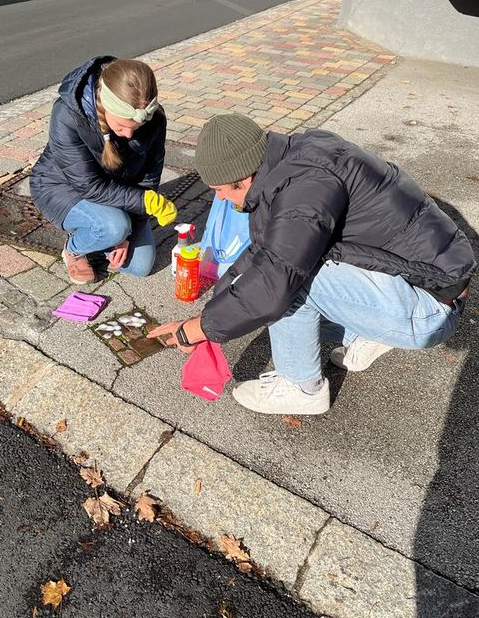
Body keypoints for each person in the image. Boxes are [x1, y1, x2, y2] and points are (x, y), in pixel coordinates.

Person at [148, 113, 476, 415]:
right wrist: (210, 316)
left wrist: (194, 330)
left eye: (219, 189)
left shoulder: (305, 187)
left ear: (242, 176)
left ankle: (301, 387)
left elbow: (274, 279)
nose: (218, 198)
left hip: (432, 305)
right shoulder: (284, 165)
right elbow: (262, 252)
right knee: (278, 279)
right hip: (418, 281)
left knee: (288, 285)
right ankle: (368, 334)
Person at [31, 56, 177, 284]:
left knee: (140, 266)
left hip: (118, 192)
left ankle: (109, 232)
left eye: (136, 128)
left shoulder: (155, 119)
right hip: (63, 188)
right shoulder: (67, 114)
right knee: (113, 226)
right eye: (121, 126)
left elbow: (149, 178)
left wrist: (129, 234)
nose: (129, 135)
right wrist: (141, 205)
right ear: (106, 106)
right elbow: (89, 186)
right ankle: (74, 248)